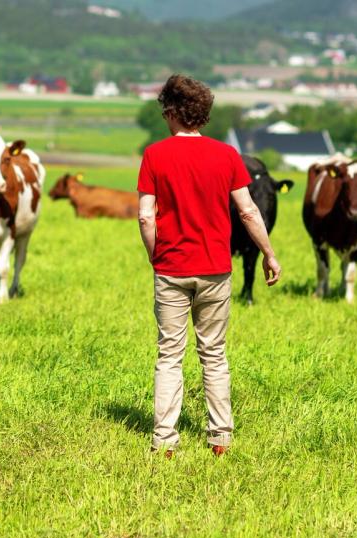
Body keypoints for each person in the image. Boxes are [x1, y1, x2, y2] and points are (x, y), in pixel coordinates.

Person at [136, 74, 281, 458]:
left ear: (171, 112)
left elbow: (146, 219)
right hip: (216, 269)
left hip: (171, 268)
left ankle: (164, 442)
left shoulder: (154, 155)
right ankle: (220, 439)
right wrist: (268, 253)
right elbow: (248, 211)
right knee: (213, 355)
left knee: (170, 355)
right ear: (201, 114)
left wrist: (157, 256)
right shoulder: (227, 156)